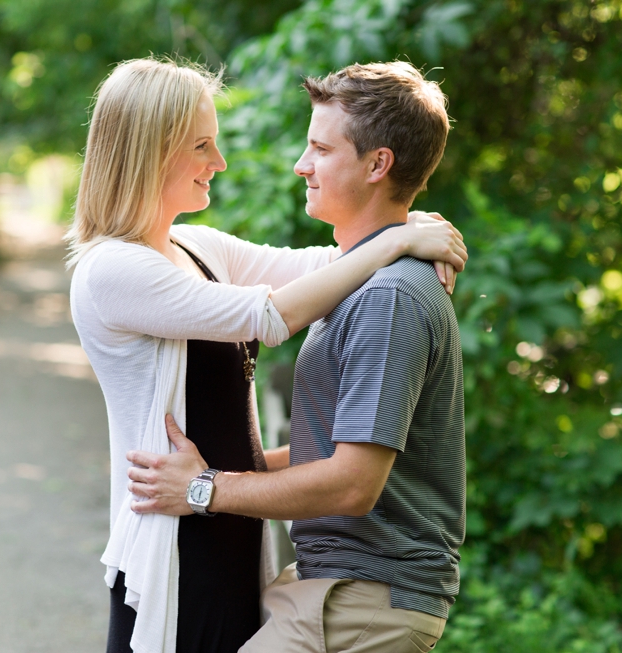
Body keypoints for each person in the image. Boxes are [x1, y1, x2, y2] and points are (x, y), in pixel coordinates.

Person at [68, 57, 466, 653]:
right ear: (150, 152)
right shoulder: (112, 271)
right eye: (201, 145)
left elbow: (325, 266)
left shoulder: (194, 247)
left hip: (227, 530)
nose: (219, 163)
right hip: (176, 545)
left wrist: (404, 226)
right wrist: (403, 237)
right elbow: (272, 314)